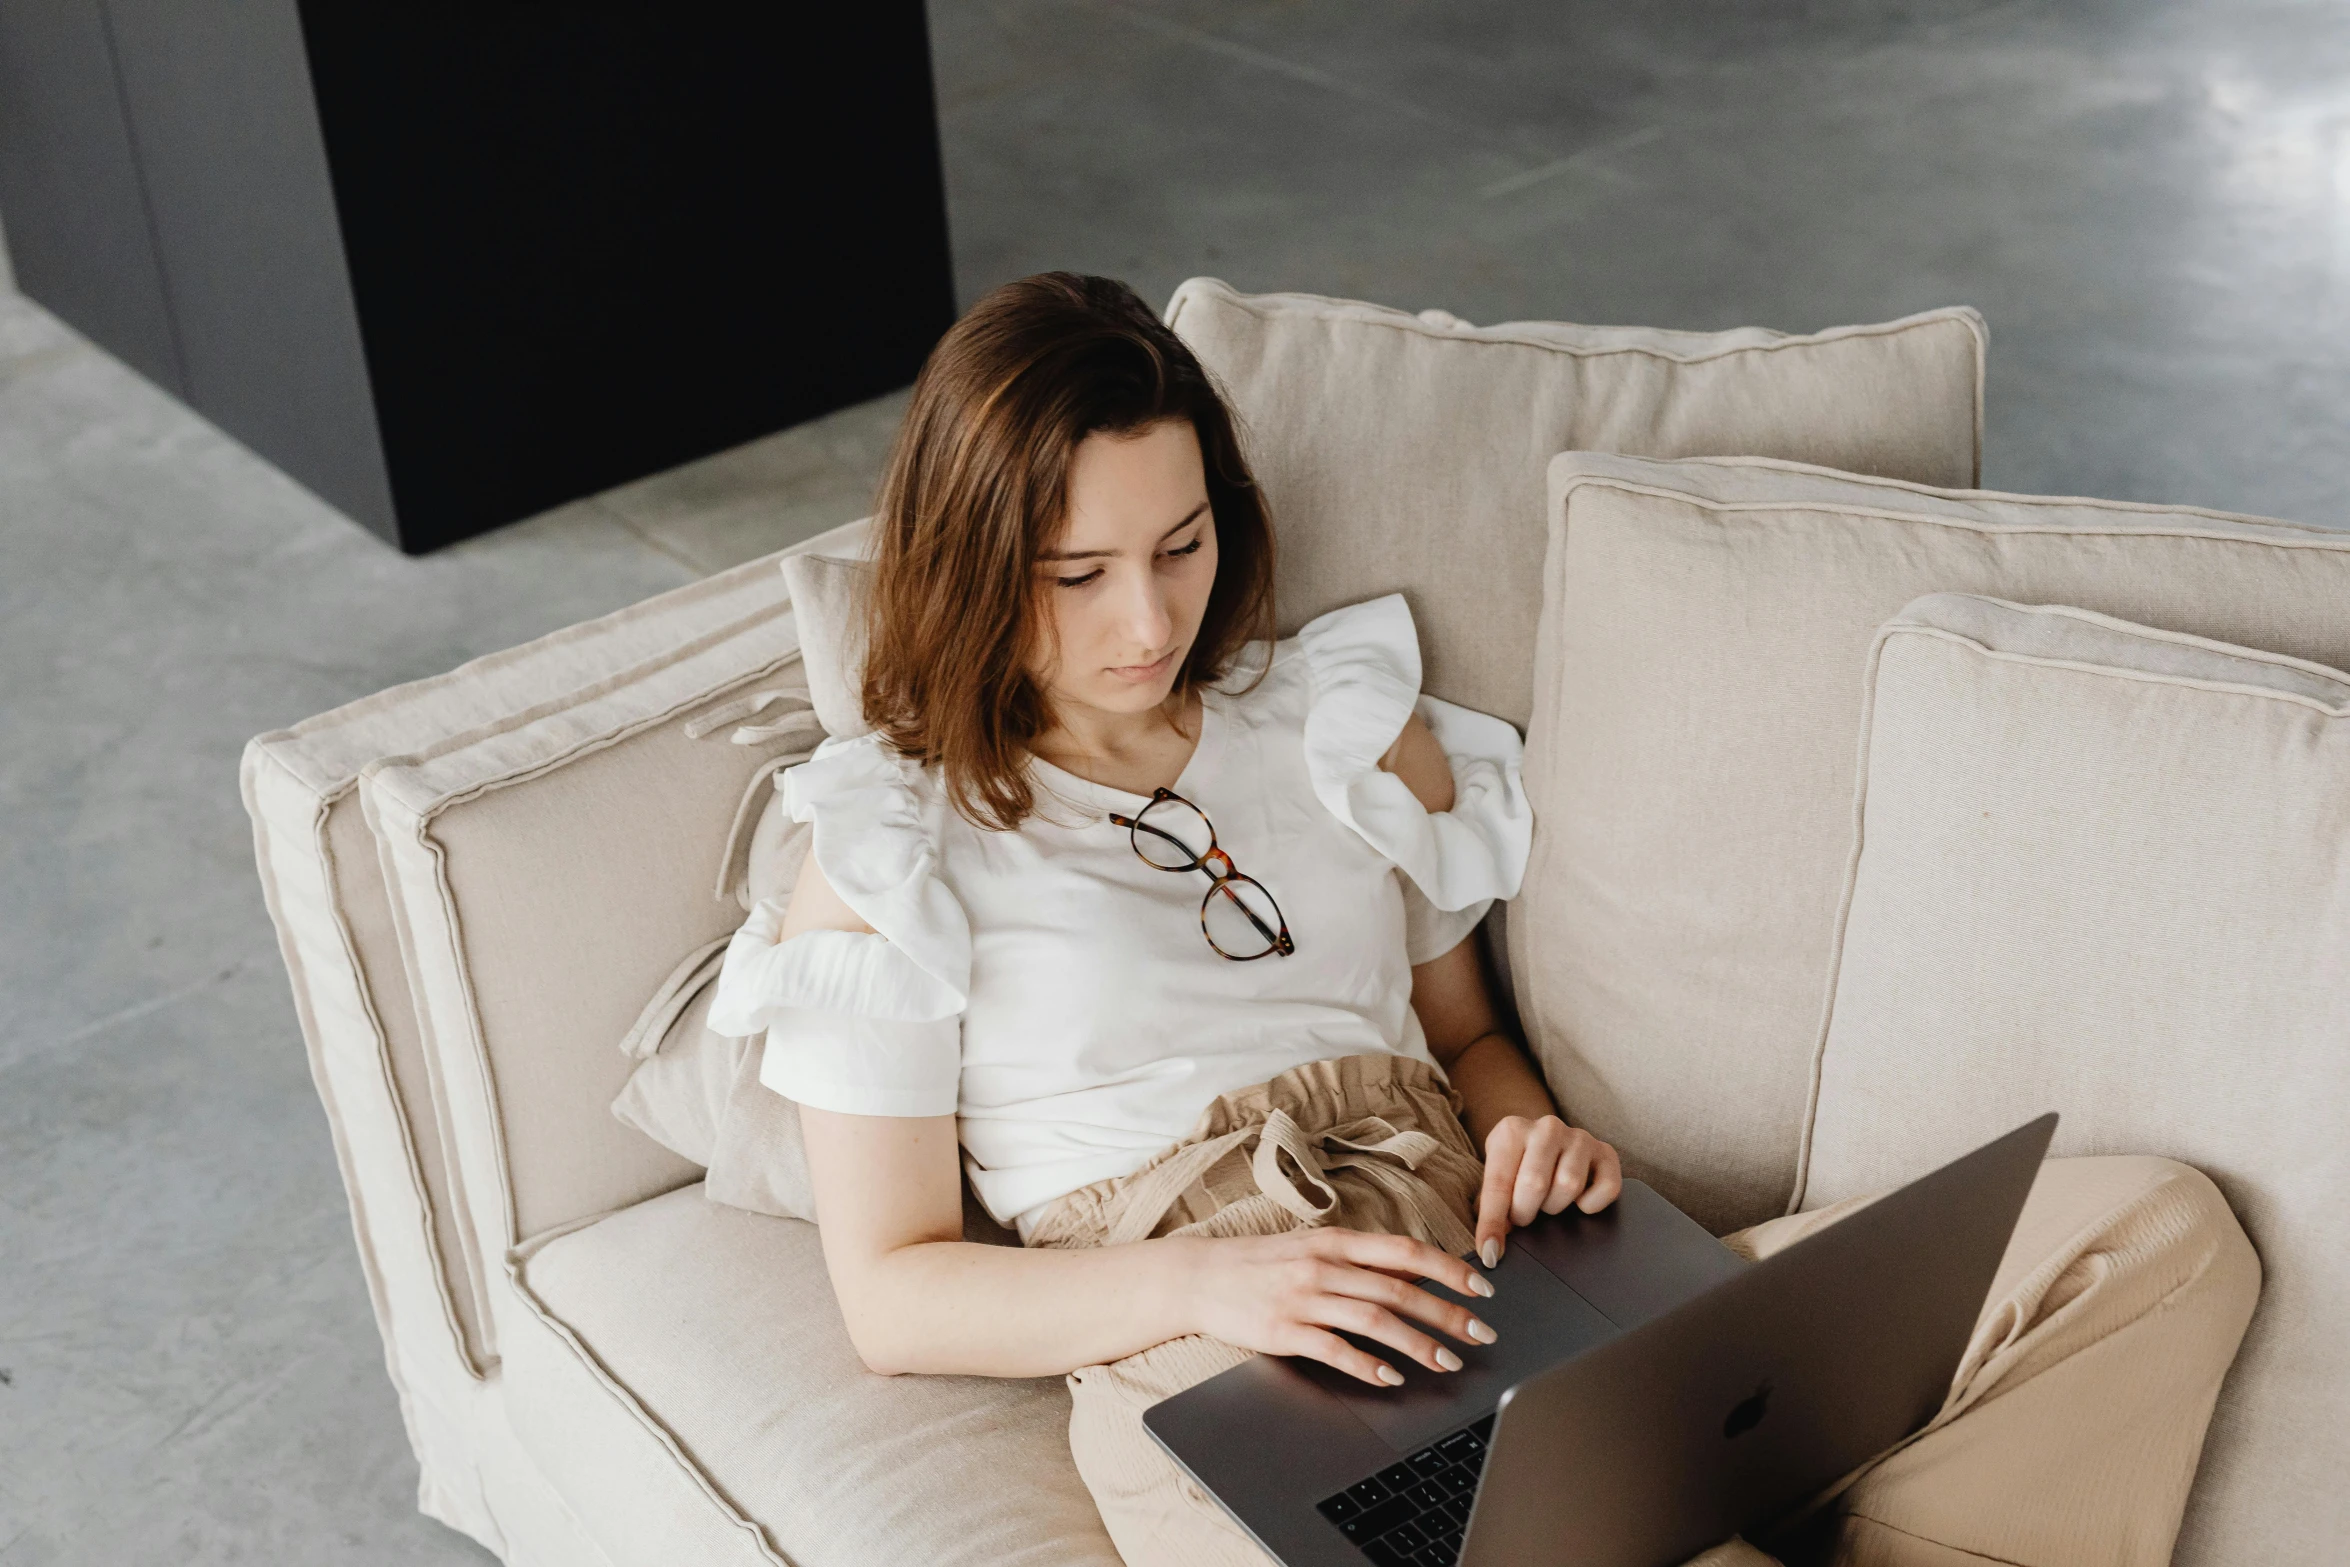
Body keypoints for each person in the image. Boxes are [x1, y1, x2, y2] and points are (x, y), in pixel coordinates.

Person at [712, 273, 2258, 1567]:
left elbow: (1460, 1034)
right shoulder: (890, 839)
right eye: (1077, 572)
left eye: (1180, 546)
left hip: (1496, 1270)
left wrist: (1535, 1136)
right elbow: (894, 1288)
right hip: (1214, 1350)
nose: (1148, 620)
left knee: (2155, 1233)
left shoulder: (1335, 723)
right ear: (976, 561)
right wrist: (1206, 1284)